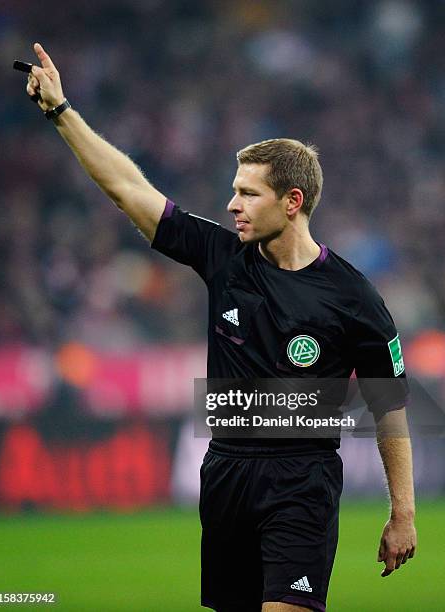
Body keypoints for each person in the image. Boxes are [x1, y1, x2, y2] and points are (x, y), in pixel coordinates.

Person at [25, 43, 417, 612]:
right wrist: (62, 113)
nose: (231, 204)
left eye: (247, 193)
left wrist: (401, 513)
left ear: (292, 202)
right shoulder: (224, 256)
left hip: (301, 481)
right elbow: (127, 188)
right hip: (227, 474)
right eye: (234, 189)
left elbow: (391, 408)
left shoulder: (354, 297)